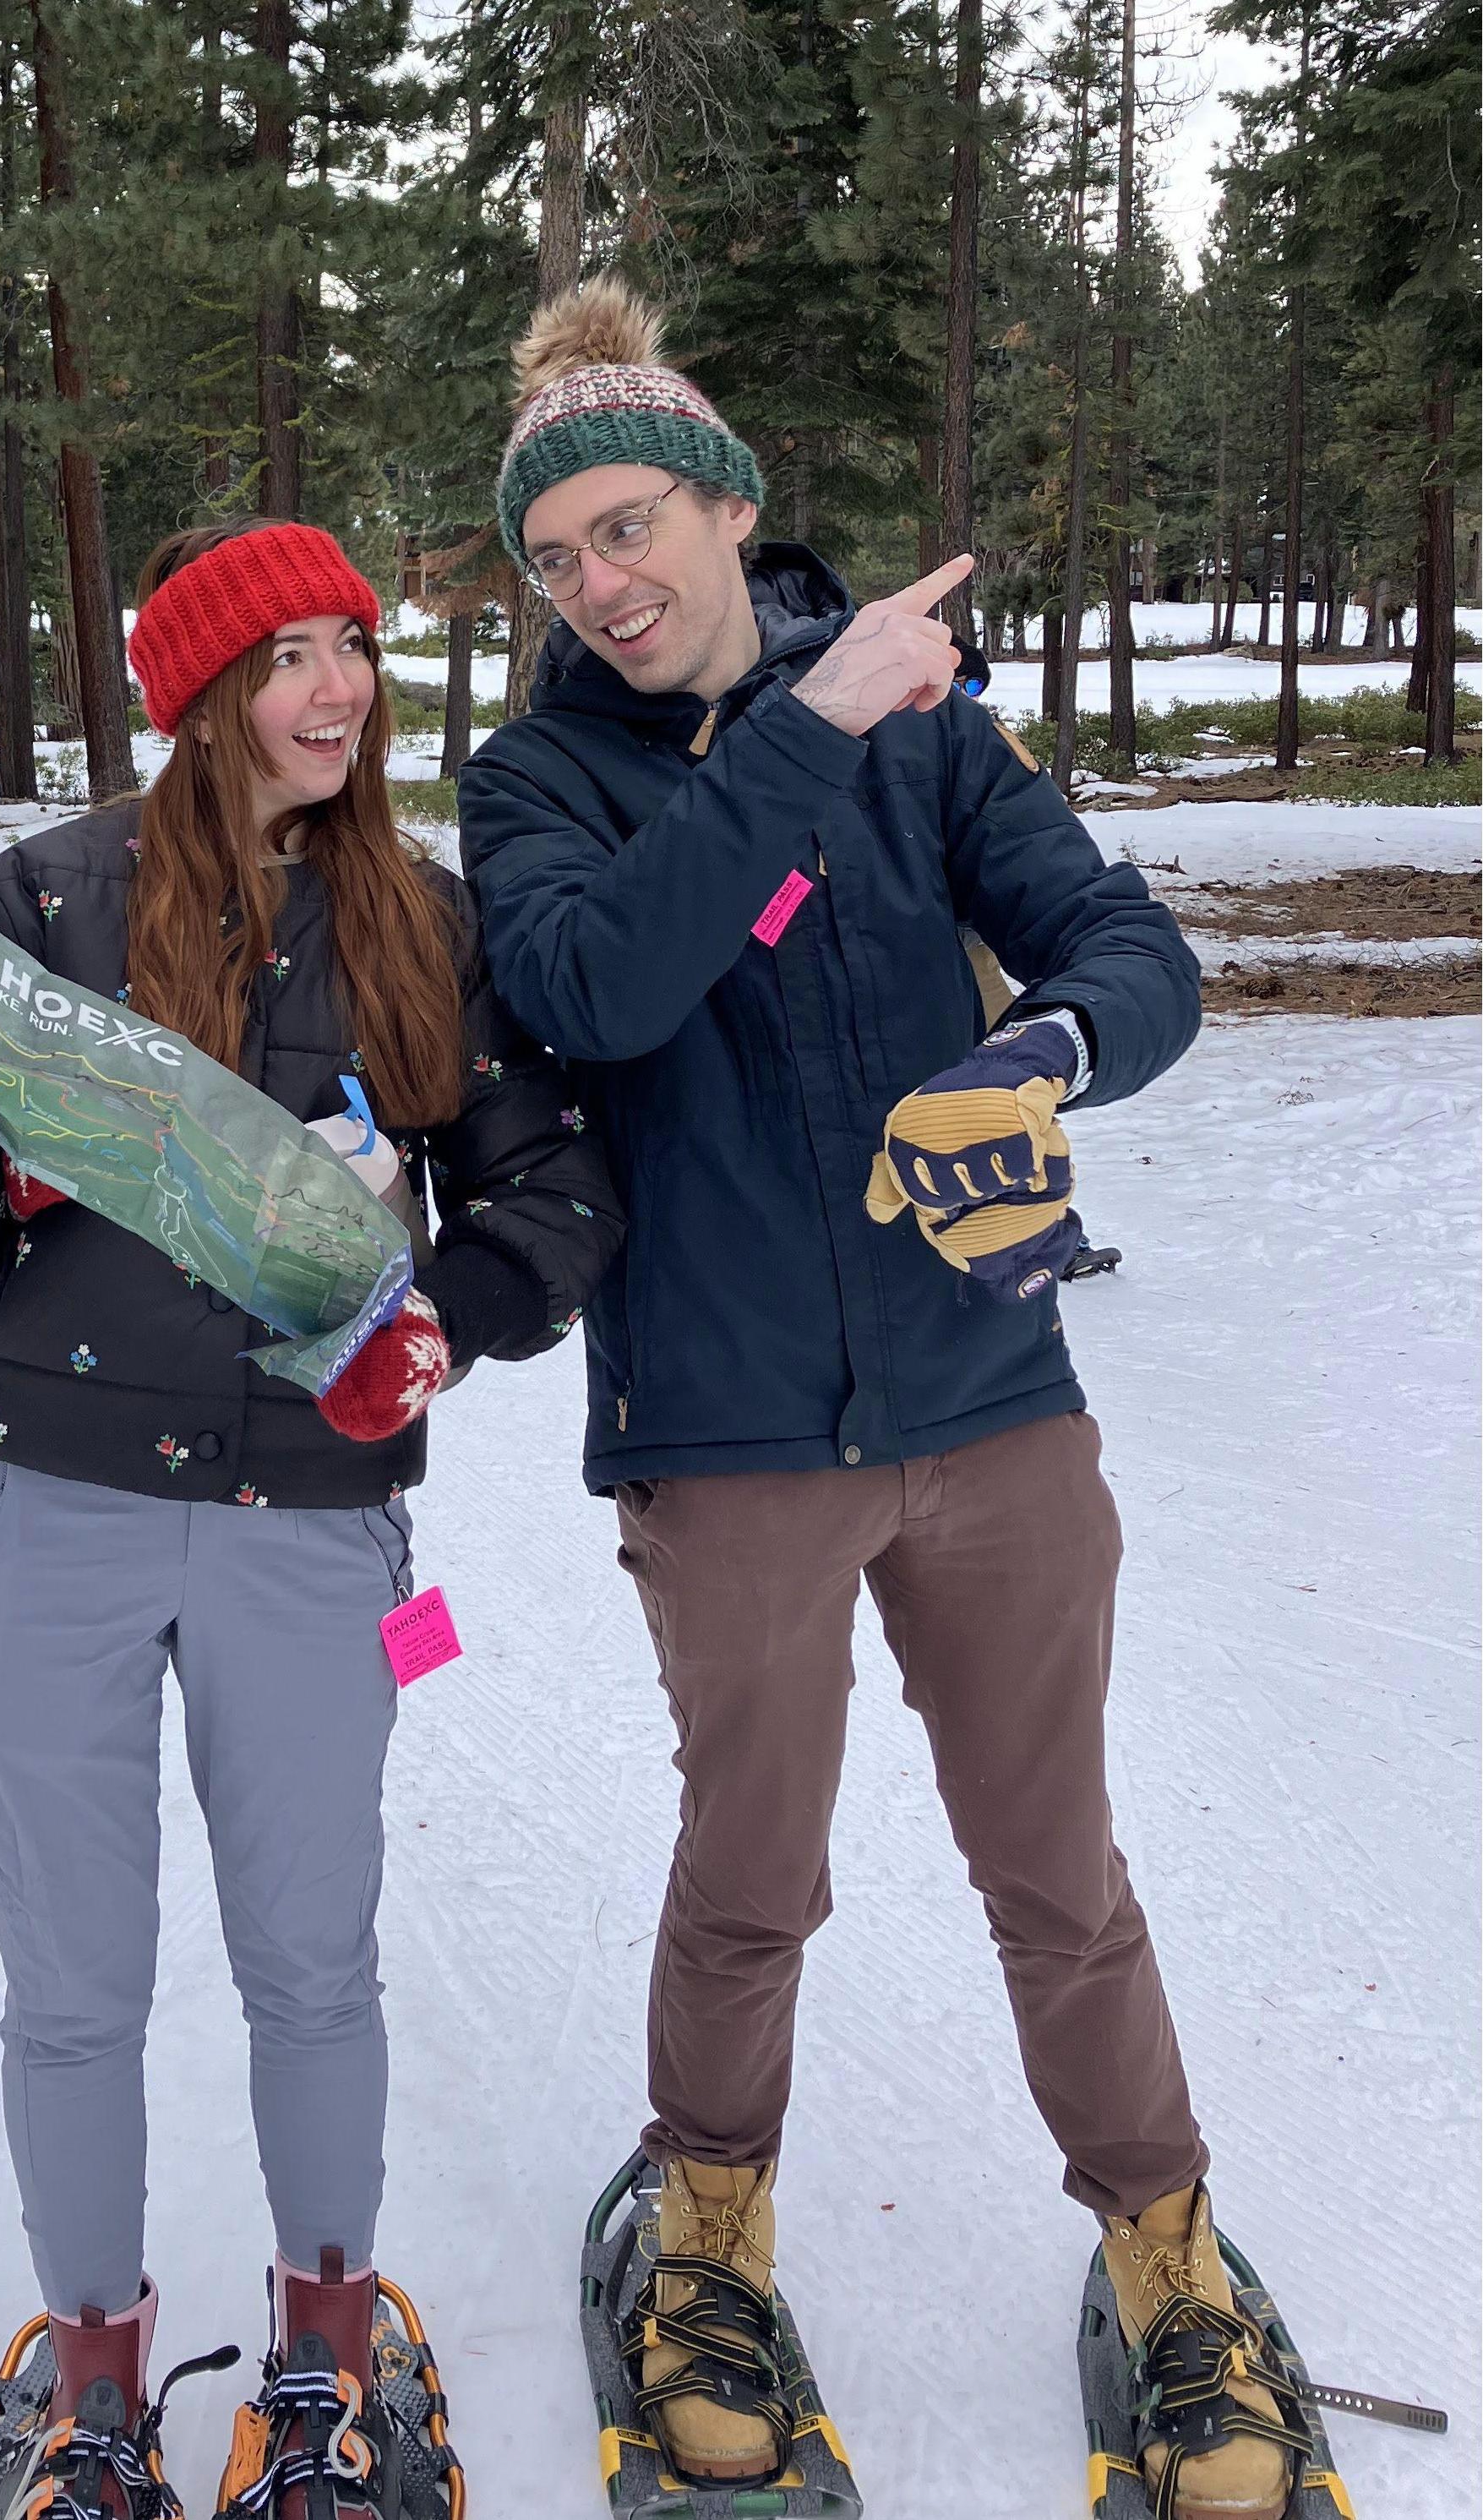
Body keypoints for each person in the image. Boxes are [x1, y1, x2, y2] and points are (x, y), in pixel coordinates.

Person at [458, 281, 1308, 2520]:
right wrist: (809, 719)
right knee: (751, 1872)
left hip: (987, 1389)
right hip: (727, 1432)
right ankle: (708, 2234)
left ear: (726, 502)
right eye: (554, 560)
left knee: (1057, 1863)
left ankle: (1166, 2253)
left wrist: (1041, 1049)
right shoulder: (538, 776)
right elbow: (602, 986)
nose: (597, 583)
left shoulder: (929, 732)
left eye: (627, 525)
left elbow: (1122, 944)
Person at [0, 518, 618, 2519]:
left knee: (312, 1960)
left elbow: (554, 1194)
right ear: (195, 696)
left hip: (306, 1519)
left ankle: (326, 2375)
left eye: (350, 648)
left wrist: (442, 1319)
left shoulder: (425, 920)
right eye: (285, 659)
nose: (334, 690)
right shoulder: (37, 908)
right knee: (73, 1976)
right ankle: (90, 2401)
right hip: (44, 1506)